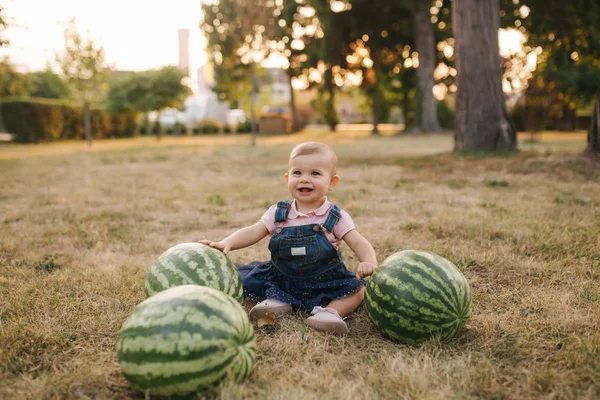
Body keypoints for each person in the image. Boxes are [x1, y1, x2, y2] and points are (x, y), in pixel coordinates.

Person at [200, 142, 377, 335]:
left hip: (326, 278)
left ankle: (330, 313)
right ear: (287, 178)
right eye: (297, 173)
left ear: (332, 182)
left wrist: (368, 261)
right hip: (284, 276)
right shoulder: (279, 212)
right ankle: (277, 303)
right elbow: (253, 231)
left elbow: (357, 241)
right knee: (265, 283)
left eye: (315, 173)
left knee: (358, 289)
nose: (305, 180)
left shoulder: (334, 216)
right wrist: (228, 242)